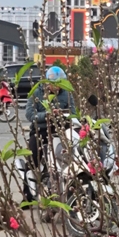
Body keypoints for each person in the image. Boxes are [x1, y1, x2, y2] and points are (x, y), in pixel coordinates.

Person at [24, 65, 76, 202]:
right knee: (32, 158)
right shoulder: (36, 93)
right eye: (54, 84)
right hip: (40, 130)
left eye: (60, 84)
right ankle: (27, 196)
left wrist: (64, 115)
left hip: (60, 132)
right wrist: (46, 115)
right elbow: (29, 114)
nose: (57, 87)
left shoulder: (68, 94)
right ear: (47, 82)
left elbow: (74, 114)